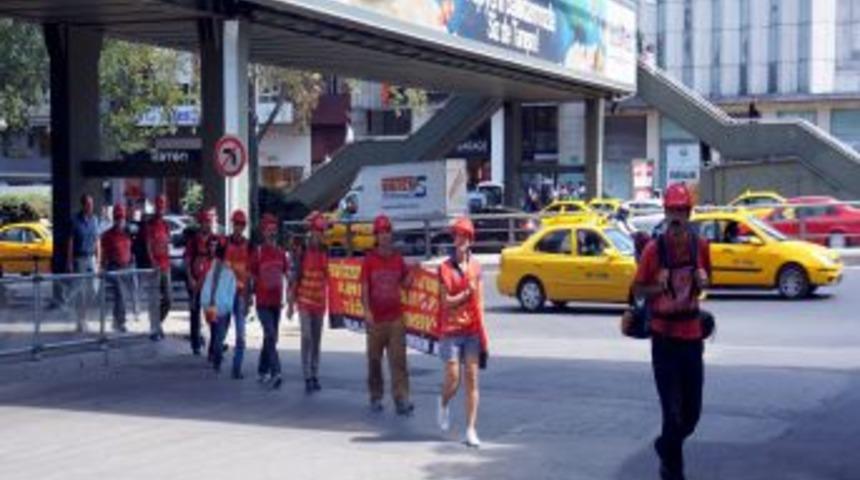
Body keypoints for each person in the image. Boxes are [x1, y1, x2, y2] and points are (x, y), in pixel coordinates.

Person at [633, 183, 711, 480]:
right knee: (672, 414)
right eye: (672, 211)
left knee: (691, 415)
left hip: (692, 339)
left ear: (689, 214)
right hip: (664, 340)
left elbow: (707, 283)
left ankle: (664, 447)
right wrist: (658, 285)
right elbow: (638, 290)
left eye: (682, 211)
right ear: (665, 213)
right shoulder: (654, 250)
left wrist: (703, 282)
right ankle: (672, 473)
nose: (677, 216)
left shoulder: (700, 246)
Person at [436, 217, 488, 448]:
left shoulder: (476, 267)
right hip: (450, 331)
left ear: (470, 240)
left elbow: (481, 301)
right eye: (458, 235)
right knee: (453, 378)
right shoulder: (444, 268)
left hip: (471, 331)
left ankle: (470, 429)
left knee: (472, 379)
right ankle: (443, 402)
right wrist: (466, 293)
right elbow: (445, 302)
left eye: (465, 236)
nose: (461, 239)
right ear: (453, 238)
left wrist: (483, 331)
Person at [361, 214, 415, 415]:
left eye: (387, 232)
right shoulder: (369, 260)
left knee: (399, 361)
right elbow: (364, 288)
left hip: (396, 320)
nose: (384, 236)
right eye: (381, 232)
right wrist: (367, 311)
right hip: (376, 320)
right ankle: (376, 396)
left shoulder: (398, 259)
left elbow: (406, 283)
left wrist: (413, 273)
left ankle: (401, 398)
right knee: (374, 360)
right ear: (376, 236)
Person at [289, 211, 329, 394]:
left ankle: (315, 374)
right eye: (317, 231)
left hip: (319, 303)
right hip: (304, 301)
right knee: (306, 337)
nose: (320, 235)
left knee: (317, 340)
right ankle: (306, 376)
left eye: (322, 232)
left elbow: (329, 275)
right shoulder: (302, 252)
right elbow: (295, 278)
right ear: (311, 232)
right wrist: (291, 304)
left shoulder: (326, 251)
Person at [251, 214, 289, 389]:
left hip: (276, 303)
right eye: (269, 230)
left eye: (274, 230)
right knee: (271, 334)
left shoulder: (281, 253)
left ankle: (262, 369)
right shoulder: (258, 253)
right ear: (263, 232)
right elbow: (251, 275)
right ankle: (276, 372)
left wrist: (290, 297)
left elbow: (287, 275)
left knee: (271, 337)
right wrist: (247, 299)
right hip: (262, 303)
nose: (272, 233)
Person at [184, 207, 219, 356]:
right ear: (201, 223)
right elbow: (187, 260)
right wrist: (190, 279)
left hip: (209, 281)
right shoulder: (193, 241)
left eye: (209, 222)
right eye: (205, 222)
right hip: (195, 280)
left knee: (212, 313)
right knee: (195, 311)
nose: (208, 225)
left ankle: (214, 345)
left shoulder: (215, 240)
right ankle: (196, 343)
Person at [200, 241, 237, 374]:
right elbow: (230, 290)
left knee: (215, 332)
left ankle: (215, 355)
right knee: (220, 334)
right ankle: (217, 359)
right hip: (222, 307)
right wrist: (228, 306)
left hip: (211, 306)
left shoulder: (212, 269)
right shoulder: (227, 271)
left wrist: (206, 303)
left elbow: (207, 286)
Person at [66, 194, 101, 333]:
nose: (91, 206)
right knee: (80, 290)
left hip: (91, 258)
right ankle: (81, 319)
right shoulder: (75, 220)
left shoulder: (95, 220)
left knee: (93, 288)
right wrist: (69, 262)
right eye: (88, 204)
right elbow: (70, 242)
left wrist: (99, 260)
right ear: (83, 205)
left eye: (92, 204)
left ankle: (84, 315)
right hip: (79, 258)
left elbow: (97, 241)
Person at [223, 209, 251, 379]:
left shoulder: (249, 246)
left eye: (241, 224)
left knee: (241, 335)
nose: (239, 227)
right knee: (220, 332)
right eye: (237, 224)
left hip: (240, 295)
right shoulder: (224, 244)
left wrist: (249, 298)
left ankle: (236, 367)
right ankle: (216, 354)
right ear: (233, 225)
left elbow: (250, 273)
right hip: (225, 295)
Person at [100, 204, 133, 333]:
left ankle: (116, 320)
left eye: (122, 218)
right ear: (114, 219)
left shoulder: (127, 234)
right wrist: (102, 267)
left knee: (122, 296)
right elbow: (103, 254)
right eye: (118, 218)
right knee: (120, 293)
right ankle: (120, 322)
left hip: (126, 267)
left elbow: (130, 249)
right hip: (114, 268)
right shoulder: (107, 235)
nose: (120, 221)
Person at [146, 195, 172, 339]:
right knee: (155, 300)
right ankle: (155, 329)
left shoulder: (166, 225)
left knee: (168, 300)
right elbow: (148, 245)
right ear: (156, 206)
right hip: (155, 268)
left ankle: (156, 324)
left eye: (163, 205)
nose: (161, 207)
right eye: (159, 205)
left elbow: (168, 244)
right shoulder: (150, 224)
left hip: (166, 266)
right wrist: (152, 261)